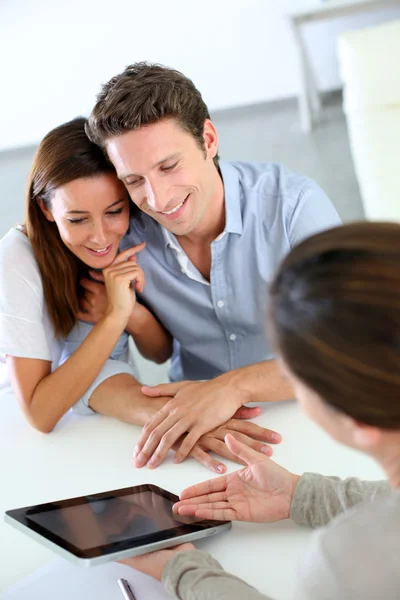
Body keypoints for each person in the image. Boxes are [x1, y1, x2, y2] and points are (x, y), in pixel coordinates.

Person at [81, 61, 342, 469]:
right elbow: (96, 372)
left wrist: (234, 387)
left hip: (312, 415)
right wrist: (165, 417)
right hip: (196, 437)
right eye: (134, 181)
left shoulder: (293, 209)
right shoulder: (122, 238)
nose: (158, 198)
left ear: (208, 138)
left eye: (169, 166)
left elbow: (347, 349)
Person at [122, 222, 399, 600]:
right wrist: (302, 495)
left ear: (359, 420)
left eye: (291, 375)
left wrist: (182, 570)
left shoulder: (349, 564)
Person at [0, 117, 277, 473]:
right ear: (46, 209)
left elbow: (158, 352)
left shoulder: (128, 237)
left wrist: (131, 313)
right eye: (78, 219)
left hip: (90, 424)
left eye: (114, 211)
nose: (100, 237)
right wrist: (114, 317)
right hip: (19, 435)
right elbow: (41, 414)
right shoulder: (15, 260)